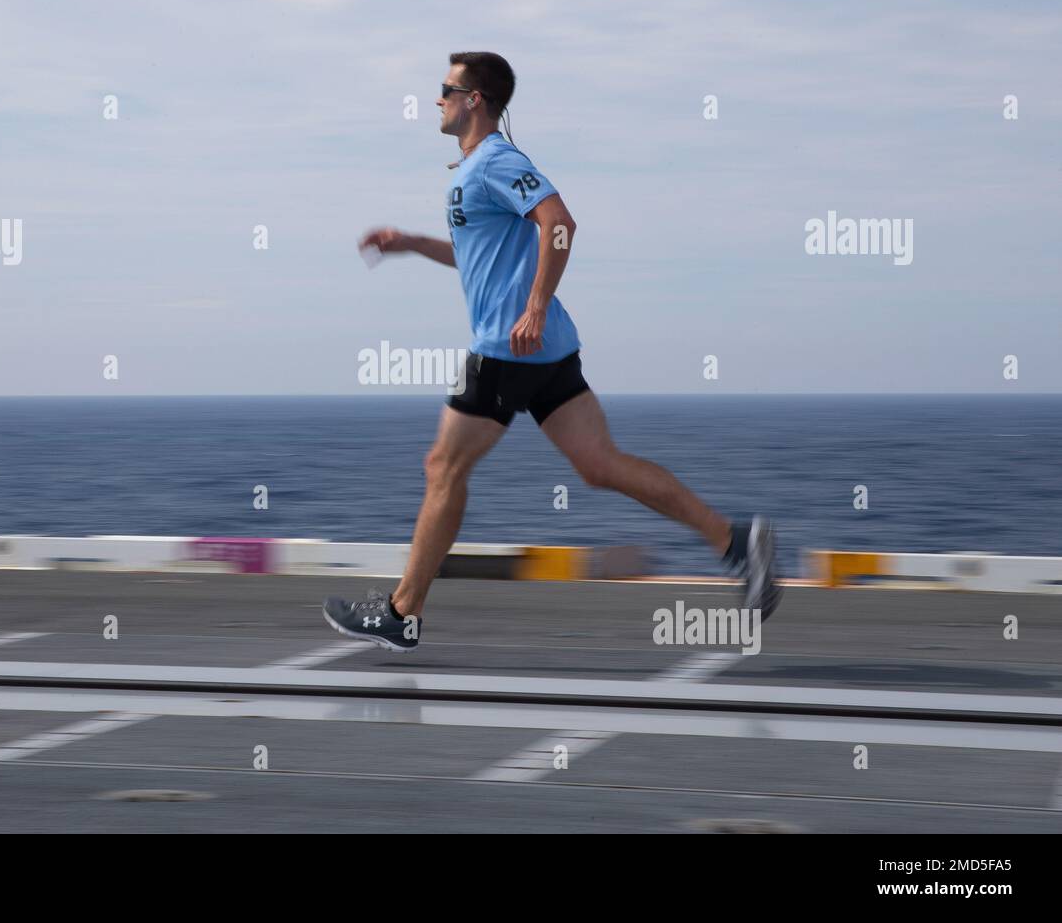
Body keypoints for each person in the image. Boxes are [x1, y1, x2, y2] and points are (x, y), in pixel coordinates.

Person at [324, 51, 780, 652]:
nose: (436, 98)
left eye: (445, 89)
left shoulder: (496, 160)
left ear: (475, 99)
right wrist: (410, 243)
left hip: (510, 347)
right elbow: (480, 257)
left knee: (444, 466)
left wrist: (535, 304)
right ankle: (733, 541)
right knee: (599, 466)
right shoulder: (472, 171)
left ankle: (401, 613)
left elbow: (559, 223)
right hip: (543, 351)